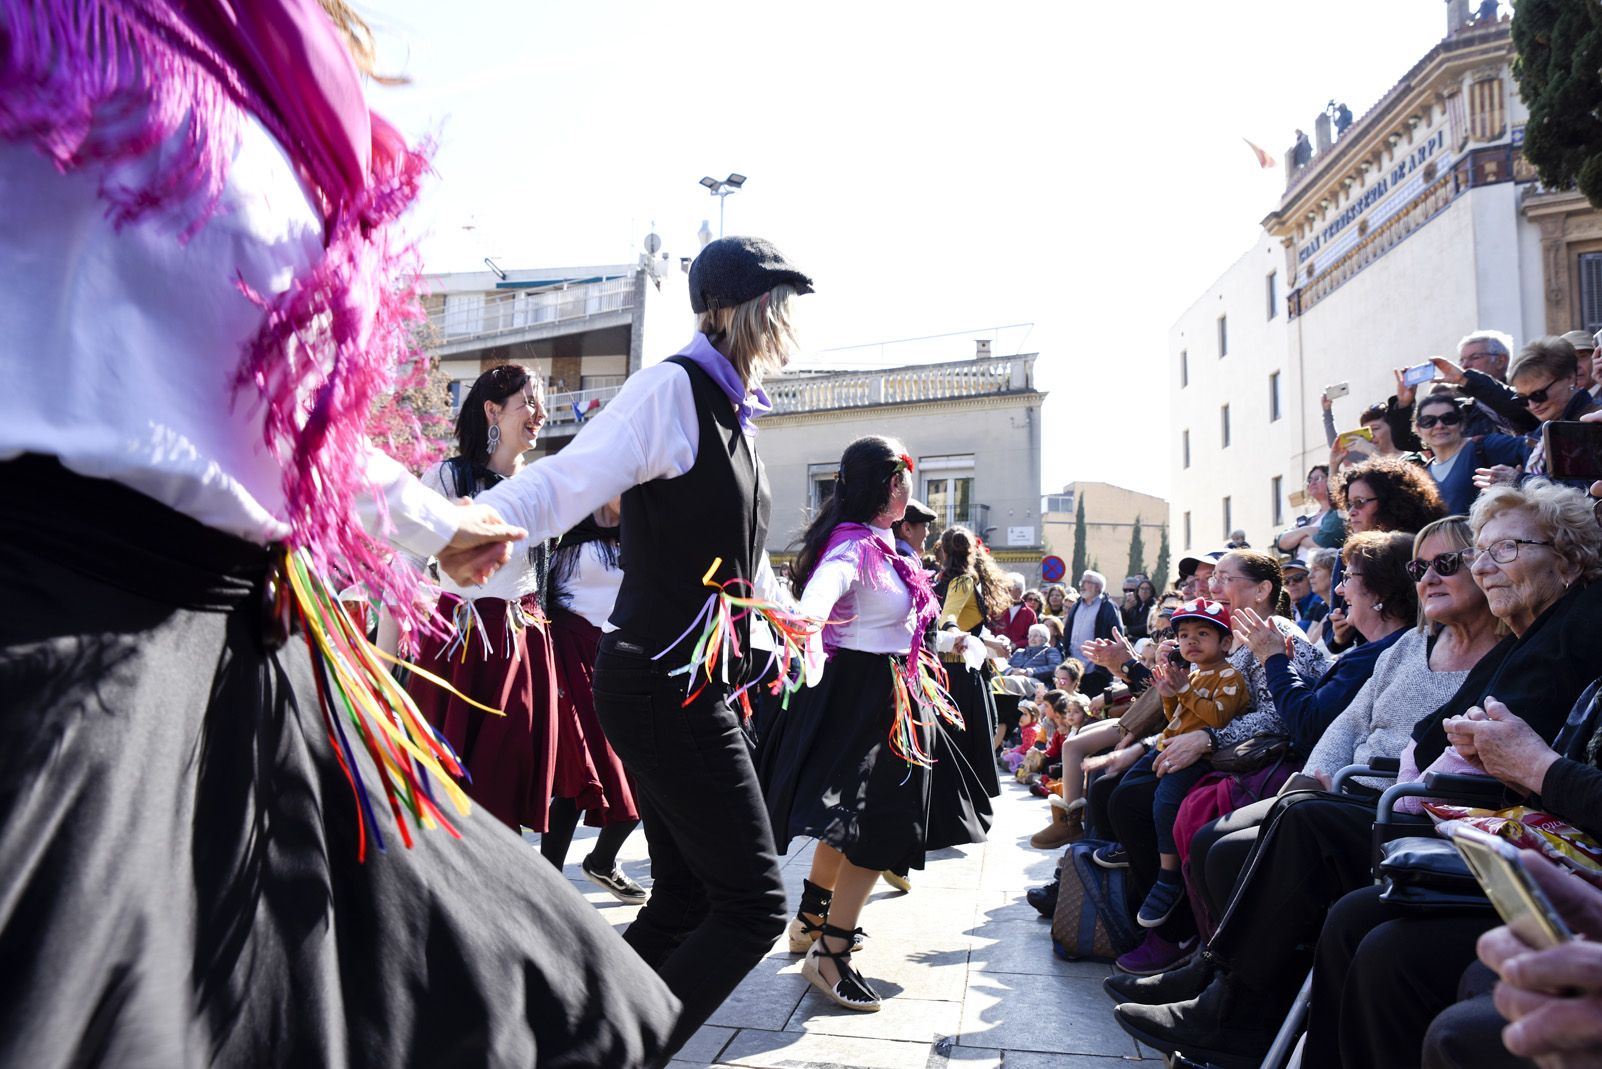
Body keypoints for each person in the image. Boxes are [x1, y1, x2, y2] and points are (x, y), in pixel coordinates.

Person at [0, 2, 681, 1065]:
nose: (537, 413)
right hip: (61, 639)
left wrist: (431, 524)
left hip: (254, 668)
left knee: (551, 1004)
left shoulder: (270, 77)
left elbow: (272, 404)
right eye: (522, 402)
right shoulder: (50, 34)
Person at [1113, 481, 1602, 1067]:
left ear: (1568, 557)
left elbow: (1318, 721)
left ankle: (1231, 1004)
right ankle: (1219, 986)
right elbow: (1347, 726)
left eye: (1492, 553)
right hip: (1399, 794)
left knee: (1300, 830)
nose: (1479, 568)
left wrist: (1263, 683)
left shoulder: (1561, 629)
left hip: (1430, 808)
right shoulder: (1447, 643)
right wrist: (1315, 773)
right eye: (1478, 553)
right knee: (1239, 828)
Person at [474, 235, 815, 1055]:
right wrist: (468, 526)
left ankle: (570, 1039)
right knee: (754, 904)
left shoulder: (736, 412)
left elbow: (746, 559)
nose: (787, 323)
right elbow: (567, 478)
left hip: (677, 680)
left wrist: (796, 625)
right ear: (732, 310)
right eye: (776, 305)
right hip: (661, 680)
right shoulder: (672, 388)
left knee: (688, 900)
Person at [759, 435, 979, 1013]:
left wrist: (952, 640)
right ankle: (830, 954)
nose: (913, 488)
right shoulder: (854, 546)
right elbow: (822, 590)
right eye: (906, 478)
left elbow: (904, 621)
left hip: (892, 693)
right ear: (887, 485)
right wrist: (806, 617)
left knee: (850, 822)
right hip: (863, 696)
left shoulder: (888, 545)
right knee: (875, 828)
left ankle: (810, 922)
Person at [405, 366, 560, 837]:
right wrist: (390, 660)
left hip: (519, 649)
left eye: (540, 402)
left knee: (501, 794)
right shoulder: (448, 479)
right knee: (444, 790)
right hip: (457, 646)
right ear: (493, 410)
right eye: (528, 401)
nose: (540, 413)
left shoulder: (542, 486)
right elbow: (407, 567)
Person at [542, 497, 646, 902]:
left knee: (637, 770)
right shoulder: (565, 526)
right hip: (567, 653)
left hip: (616, 657)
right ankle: (548, 881)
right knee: (581, 770)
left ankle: (601, 861)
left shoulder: (640, 535)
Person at [1127, 600, 1249, 929]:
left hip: (1200, 757)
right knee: (1126, 787)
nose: (1191, 641)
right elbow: (1176, 718)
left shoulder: (1230, 676)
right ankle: (1126, 848)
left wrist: (1183, 690)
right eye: (1183, 635)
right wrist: (1169, 693)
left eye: (1203, 633)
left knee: (1165, 802)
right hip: (1170, 745)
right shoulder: (1192, 675)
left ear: (1225, 643)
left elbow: (1218, 717)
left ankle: (1168, 876)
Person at [934, 526, 1008, 801]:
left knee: (961, 738)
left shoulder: (938, 580)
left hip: (947, 670)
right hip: (961, 674)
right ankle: (964, 802)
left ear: (943, 550)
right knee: (974, 737)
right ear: (972, 551)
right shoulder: (963, 581)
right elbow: (949, 619)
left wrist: (990, 646)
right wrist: (953, 632)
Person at [1401, 391, 1529, 514]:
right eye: (1428, 421)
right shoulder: (1424, 472)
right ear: (1418, 429)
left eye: (1448, 418)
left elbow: (1536, 446)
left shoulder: (1484, 446)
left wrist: (1520, 479)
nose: (1439, 425)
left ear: (1461, 423)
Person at [1064, 569, 1123, 697]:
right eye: (1082, 581)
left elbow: (1116, 634)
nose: (1082, 585)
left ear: (1098, 587)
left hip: (1096, 669)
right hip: (1074, 666)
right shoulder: (1077, 605)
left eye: (1086, 582)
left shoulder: (1107, 606)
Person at [991, 572, 1037, 649]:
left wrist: (1015, 645)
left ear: (1020, 591)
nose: (1005, 591)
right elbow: (990, 629)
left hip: (1019, 654)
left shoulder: (1029, 614)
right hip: (996, 651)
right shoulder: (997, 608)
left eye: (1009, 589)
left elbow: (1033, 637)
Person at [1283, 555, 1328, 633]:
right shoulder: (1290, 608)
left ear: (1310, 579)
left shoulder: (1319, 599)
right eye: (1286, 581)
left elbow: (1301, 633)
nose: (1291, 583)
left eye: (1298, 578)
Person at [1001, 706, 1042, 772]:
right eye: (1019, 713)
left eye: (1025, 714)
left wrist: (1012, 751)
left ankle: (1016, 768)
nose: (1020, 716)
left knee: (1010, 756)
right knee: (1008, 753)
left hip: (1031, 757)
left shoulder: (1030, 730)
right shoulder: (1029, 727)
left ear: (1033, 718)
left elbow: (1026, 748)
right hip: (1030, 754)